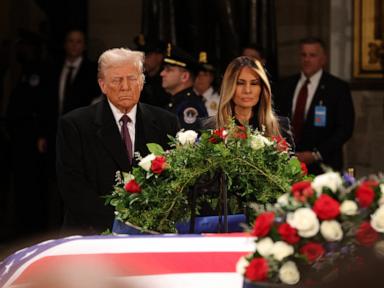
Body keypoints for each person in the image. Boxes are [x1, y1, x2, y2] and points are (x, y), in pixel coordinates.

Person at [56, 48, 179, 234]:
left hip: (152, 233)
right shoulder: (75, 125)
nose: (125, 86)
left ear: (142, 82)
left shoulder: (166, 123)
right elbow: (73, 188)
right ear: (102, 85)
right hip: (91, 235)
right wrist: (121, 226)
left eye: (132, 79)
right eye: (116, 80)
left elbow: (175, 181)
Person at [273, 37, 354, 175]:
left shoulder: (337, 88)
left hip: (323, 166)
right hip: (286, 164)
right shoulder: (285, 85)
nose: (307, 59)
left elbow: (345, 129)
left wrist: (315, 154)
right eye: (303, 55)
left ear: (323, 59)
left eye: (312, 55)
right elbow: (276, 118)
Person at [201, 56, 294, 149]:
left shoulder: (281, 127)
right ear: (229, 86)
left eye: (254, 83)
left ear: (262, 88)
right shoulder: (208, 127)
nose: (247, 90)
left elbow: (292, 162)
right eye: (240, 83)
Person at [160, 43, 208, 130]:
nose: (162, 73)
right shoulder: (176, 102)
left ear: (184, 76)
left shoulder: (190, 106)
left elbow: (188, 142)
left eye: (168, 70)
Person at [134, 34, 171, 107]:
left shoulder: (167, 80)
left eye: (147, 56)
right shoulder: (139, 78)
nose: (143, 60)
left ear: (159, 57)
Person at [193, 51, 220, 116]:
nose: (200, 78)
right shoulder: (185, 99)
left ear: (211, 78)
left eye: (205, 75)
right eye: (197, 74)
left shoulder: (221, 100)